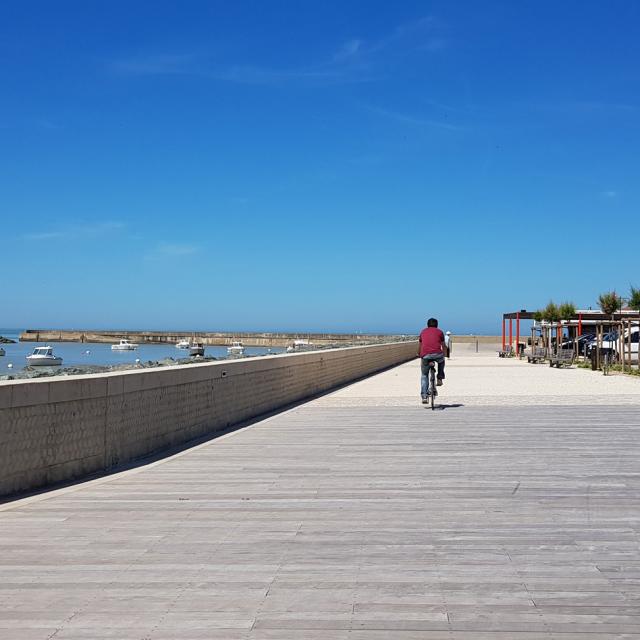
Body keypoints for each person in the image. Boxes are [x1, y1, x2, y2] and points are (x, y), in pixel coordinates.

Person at [419, 318, 446, 403]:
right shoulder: (440, 332)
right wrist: (445, 354)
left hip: (425, 355)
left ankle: (424, 396)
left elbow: (420, 345)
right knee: (442, 361)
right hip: (438, 354)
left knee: (424, 375)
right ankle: (439, 378)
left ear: (427, 325)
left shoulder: (423, 332)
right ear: (437, 325)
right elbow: (443, 345)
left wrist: (418, 354)